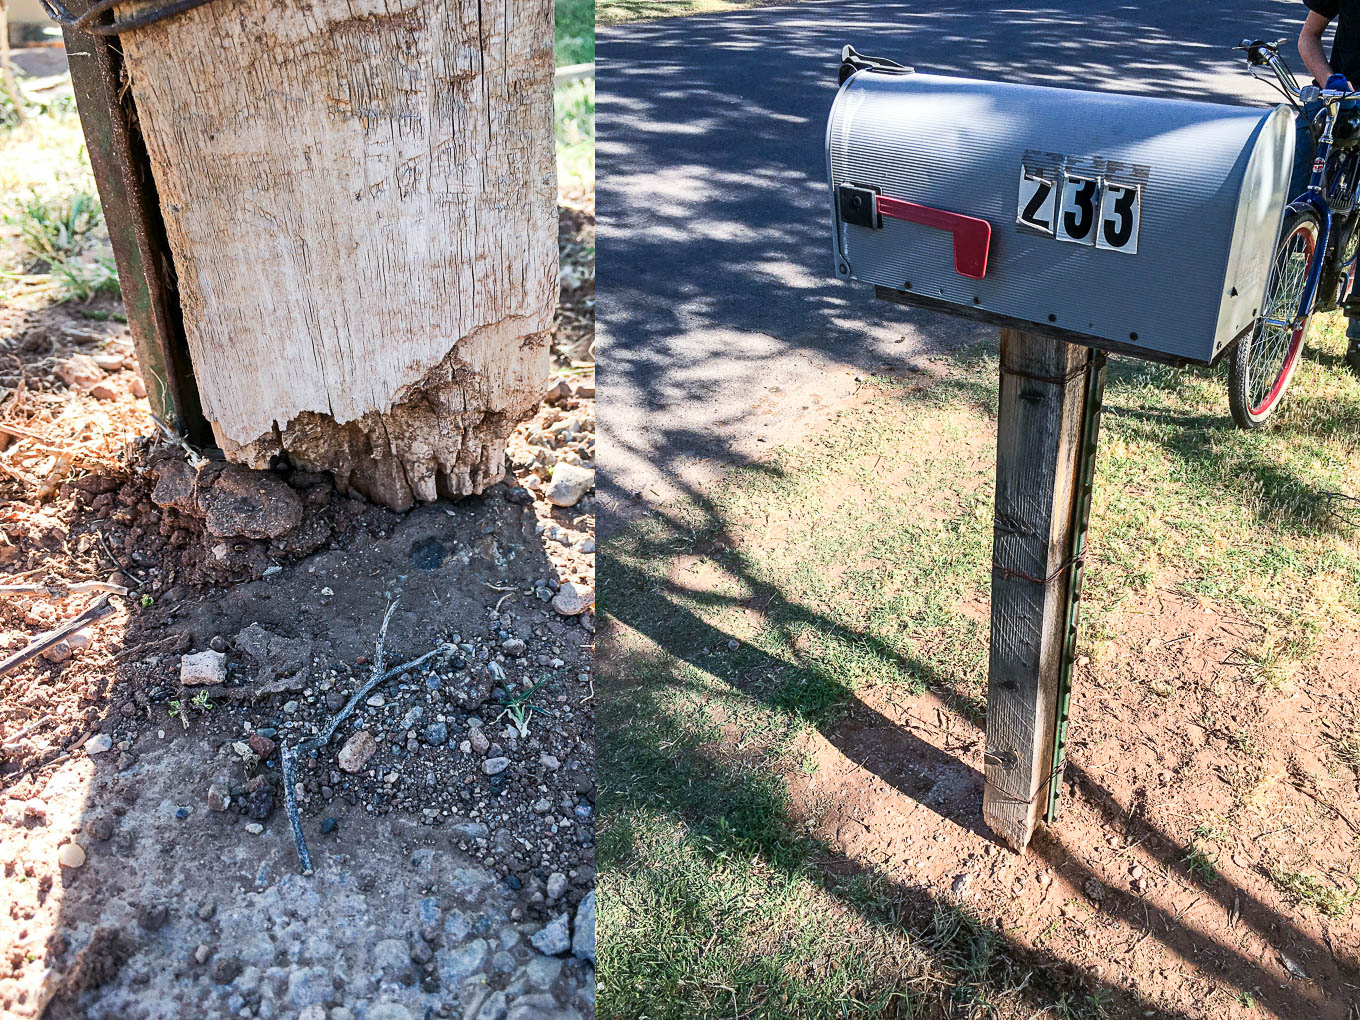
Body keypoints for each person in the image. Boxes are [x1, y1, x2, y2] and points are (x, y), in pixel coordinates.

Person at [1300, 2, 1360, 370]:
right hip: (1341, 108)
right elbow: (1309, 37)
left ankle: (1357, 334)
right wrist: (1330, 80)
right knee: (1294, 194)